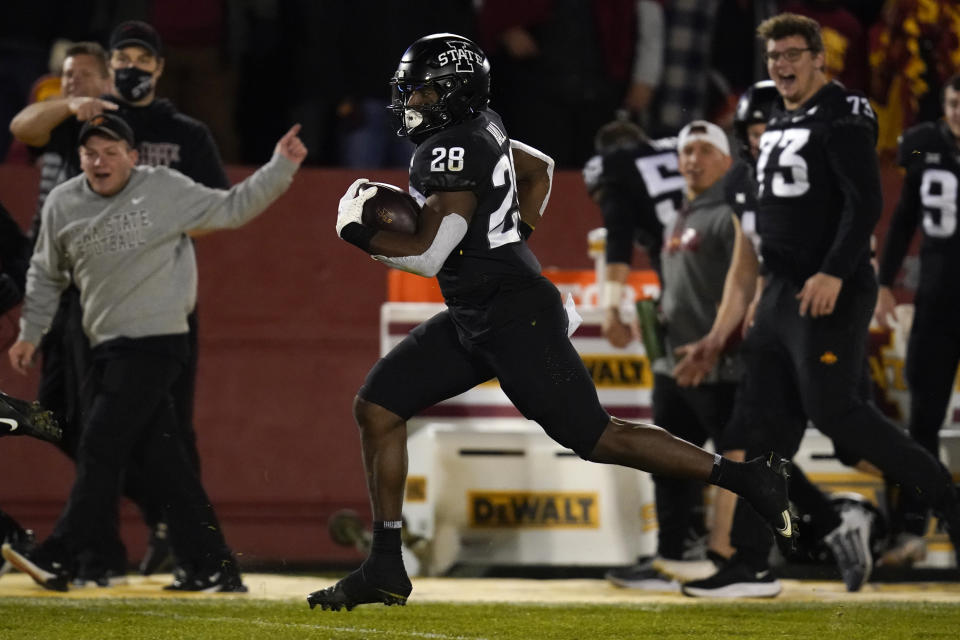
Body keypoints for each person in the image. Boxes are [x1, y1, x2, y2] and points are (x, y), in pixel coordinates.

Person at [306, 32, 795, 612]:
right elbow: (539, 170)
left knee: (599, 436)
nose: (413, 105)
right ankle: (385, 563)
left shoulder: (449, 149)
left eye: (425, 93)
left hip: (512, 318)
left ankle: (750, 481)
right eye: (410, 94)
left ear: (455, 93)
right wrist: (510, 243)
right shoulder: (480, 122)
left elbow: (429, 256)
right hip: (477, 311)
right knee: (379, 406)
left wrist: (358, 232)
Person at [671, 13, 960, 598]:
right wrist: (725, 329)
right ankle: (752, 562)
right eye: (774, 56)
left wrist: (834, 270)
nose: (781, 65)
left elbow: (866, 201)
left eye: (792, 54)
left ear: (819, 58)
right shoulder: (777, 120)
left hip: (826, 287)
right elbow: (752, 247)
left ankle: (950, 508)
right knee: (763, 432)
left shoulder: (842, 112)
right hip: (778, 294)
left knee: (839, 416)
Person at [1, 112, 307, 592]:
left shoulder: (162, 187)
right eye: (89, 153)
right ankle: (213, 567)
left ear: (133, 157)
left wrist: (279, 167)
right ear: (79, 158)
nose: (99, 162)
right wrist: (30, 333)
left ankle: (60, 553)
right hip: (105, 344)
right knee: (167, 467)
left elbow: (232, 208)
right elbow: (45, 273)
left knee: (99, 447)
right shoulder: (63, 201)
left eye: (110, 152)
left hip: (156, 342)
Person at [601, 120, 745, 591]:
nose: (693, 160)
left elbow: (746, 287)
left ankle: (736, 556)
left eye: (705, 150)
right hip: (673, 362)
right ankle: (673, 555)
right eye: (687, 152)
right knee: (667, 460)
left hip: (717, 362)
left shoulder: (732, 212)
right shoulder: (682, 214)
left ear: (726, 160)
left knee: (737, 459)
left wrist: (720, 342)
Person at [874, 72, 960, 565]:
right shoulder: (924, 145)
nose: (956, 111)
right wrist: (885, 281)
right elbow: (905, 214)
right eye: (952, 102)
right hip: (938, 301)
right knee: (923, 418)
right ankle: (912, 531)